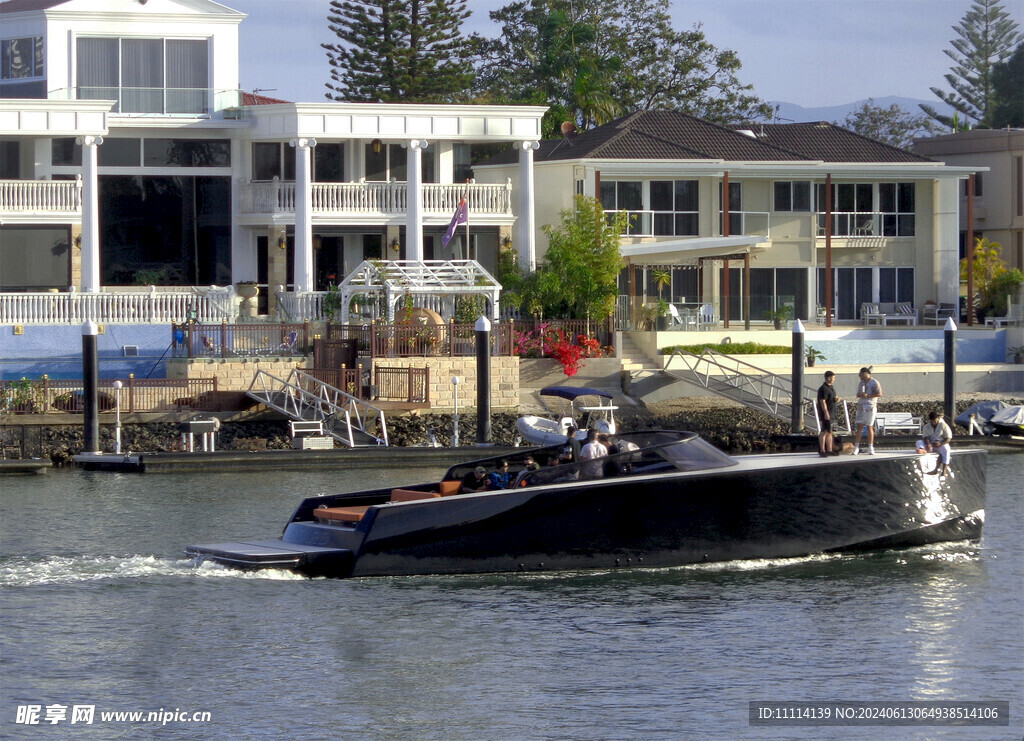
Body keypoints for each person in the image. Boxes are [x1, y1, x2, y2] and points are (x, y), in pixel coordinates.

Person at [852, 367, 882, 455]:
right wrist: (860, 395)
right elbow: (858, 394)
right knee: (859, 426)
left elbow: (879, 394)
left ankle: (870, 446)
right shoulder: (861, 383)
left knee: (869, 426)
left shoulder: (875, 382)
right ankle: (856, 446)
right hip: (861, 406)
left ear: (865, 373)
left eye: (860, 374)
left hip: (870, 406)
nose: (859, 376)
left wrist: (868, 395)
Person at [917, 411, 953, 475]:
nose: (933, 422)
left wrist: (941, 443)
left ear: (937, 419)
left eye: (935, 421)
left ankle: (944, 471)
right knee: (919, 442)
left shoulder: (943, 425)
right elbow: (925, 437)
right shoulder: (926, 426)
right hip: (931, 445)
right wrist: (928, 444)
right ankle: (922, 449)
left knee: (946, 449)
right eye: (932, 421)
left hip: (940, 444)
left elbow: (948, 438)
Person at [816, 371, 842, 457]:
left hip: (832, 413)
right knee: (824, 431)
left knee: (830, 432)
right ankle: (822, 450)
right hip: (827, 413)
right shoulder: (823, 388)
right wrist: (826, 412)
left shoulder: (831, 388)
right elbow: (822, 401)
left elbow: (830, 399)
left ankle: (829, 449)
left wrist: (836, 400)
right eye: (833, 378)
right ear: (828, 378)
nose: (834, 379)